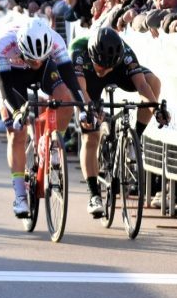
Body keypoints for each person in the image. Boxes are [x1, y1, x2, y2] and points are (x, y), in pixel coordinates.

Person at [0, 17, 87, 217]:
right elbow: (5, 89)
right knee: (16, 132)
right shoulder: (4, 43)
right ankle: (20, 195)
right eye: (32, 58)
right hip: (14, 76)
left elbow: (71, 80)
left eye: (40, 58)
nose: (35, 62)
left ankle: (53, 144)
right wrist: (17, 112)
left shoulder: (55, 41)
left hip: (45, 72)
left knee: (65, 100)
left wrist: (83, 108)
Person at [70, 28, 168, 214]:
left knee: (153, 82)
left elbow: (142, 85)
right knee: (91, 137)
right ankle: (94, 195)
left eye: (108, 67)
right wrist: (89, 109)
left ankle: (135, 139)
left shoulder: (125, 52)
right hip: (87, 81)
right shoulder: (78, 51)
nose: (104, 70)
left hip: (119, 73)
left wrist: (156, 110)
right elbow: (80, 90)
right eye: (101, 66)